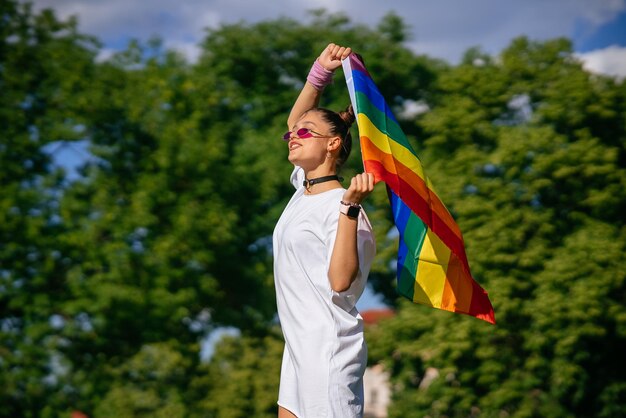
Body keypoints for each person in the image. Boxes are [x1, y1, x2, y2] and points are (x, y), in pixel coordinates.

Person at [272, 43, 376, 418]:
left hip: (328, 352)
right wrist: (320, 71)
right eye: (294, 134)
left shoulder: (342, 206)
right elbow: (293, 121)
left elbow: (341, 282)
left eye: (306, 132)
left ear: (333, 144)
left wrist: (350, 207)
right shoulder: (304, 189)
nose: (294, 135)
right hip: (297, 350)